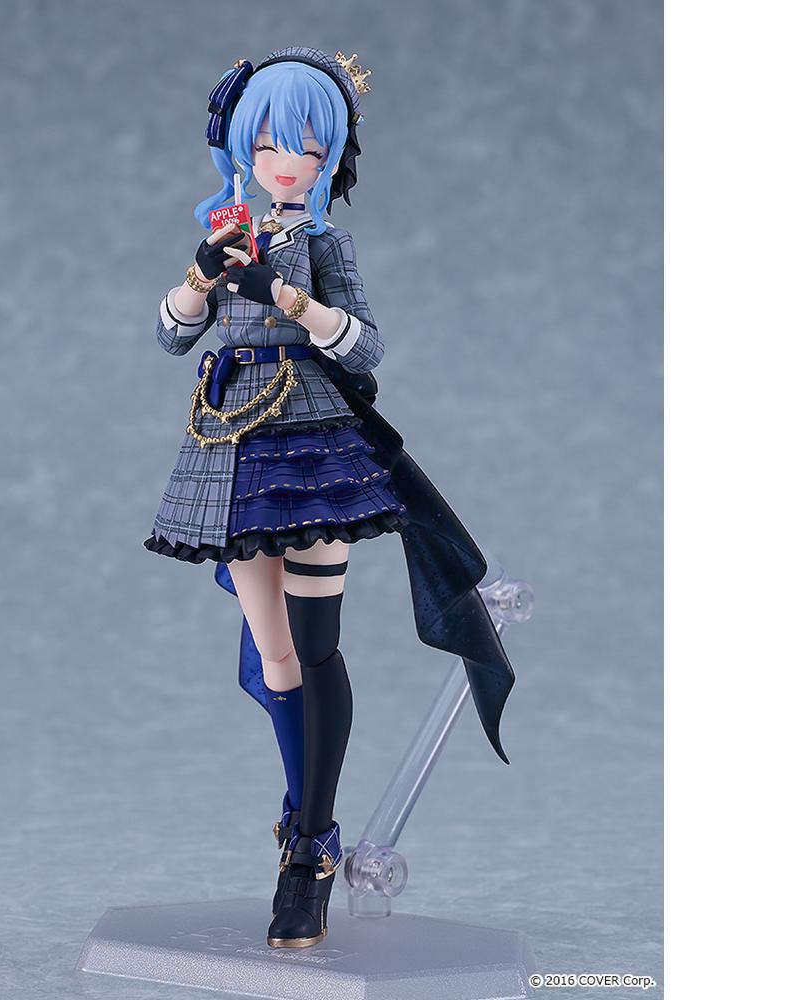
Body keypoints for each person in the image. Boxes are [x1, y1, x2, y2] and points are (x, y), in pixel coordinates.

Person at [144, 46, 514, 949]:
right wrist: (200, 276)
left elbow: (366, 345)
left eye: (308, 147)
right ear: (243, 144)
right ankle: (304, 819)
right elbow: (170, 335)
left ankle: (308, 850)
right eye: (271, 143)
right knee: (273, 655)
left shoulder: (323, 244)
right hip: (234, 445)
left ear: (329, 156)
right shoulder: (229, 229)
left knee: (315, 646)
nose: (288, 161)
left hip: (315, 448)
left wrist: (286, 297)